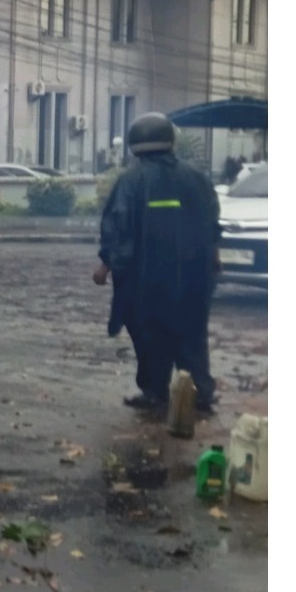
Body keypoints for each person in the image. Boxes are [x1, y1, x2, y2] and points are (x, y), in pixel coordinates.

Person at [96, 110, 220, 426]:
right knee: (191, 334)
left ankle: (155, 391)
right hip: (193, 275)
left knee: (150, 336)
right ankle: (200, 394)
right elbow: (211, 223)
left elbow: (118, 227)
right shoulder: (196, 178)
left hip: (146, 278)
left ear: (135, 145)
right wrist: (213, 260)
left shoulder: (130, 181)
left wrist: (106, 264)